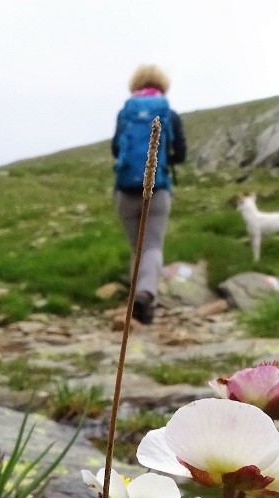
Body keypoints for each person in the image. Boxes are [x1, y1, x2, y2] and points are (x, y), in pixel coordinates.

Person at [111, 65, 185, 325]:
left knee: (137, 248)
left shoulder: (125, 113)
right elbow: (182, 154)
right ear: (163, 86)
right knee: (152, 246)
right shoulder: (169, 113)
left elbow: (115, 149)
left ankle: (136, 299)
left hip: (125, 190)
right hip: (158, 189)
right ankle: (146, 295)